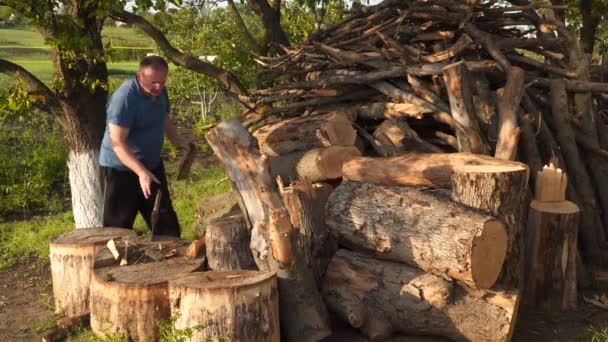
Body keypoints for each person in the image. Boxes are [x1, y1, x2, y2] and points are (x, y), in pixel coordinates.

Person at [99, 55, 190, 237]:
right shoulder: (125, 99)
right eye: (153, 82)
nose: (159, 87)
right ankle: (115, 264)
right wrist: (141, 172)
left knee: (165, 221)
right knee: (118, 228)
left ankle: (172, 261)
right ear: (140, 76)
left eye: (162, 81)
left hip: (151, 164)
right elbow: (117, 142)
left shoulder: (159, 91)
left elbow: (163, 117)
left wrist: (179, 141)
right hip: (120, 170)